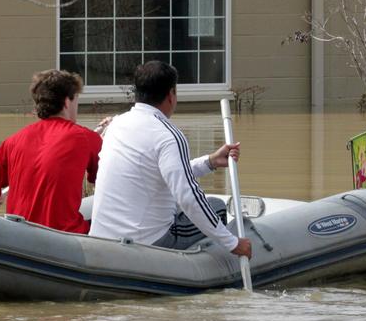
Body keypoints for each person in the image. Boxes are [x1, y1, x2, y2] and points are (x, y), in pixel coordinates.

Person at [89, 60, 252, 258]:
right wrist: (233, 243)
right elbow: (189, 198)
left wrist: (210, 162)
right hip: (148, 242)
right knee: (216, 207)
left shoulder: (116, 125)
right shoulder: (168, 135)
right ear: (171, 95)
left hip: (101, 237)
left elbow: (158, 172)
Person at [0, 70, 102, 233]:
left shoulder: (12, 142)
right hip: (65, 240)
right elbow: (107, 185)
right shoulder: (87, 138)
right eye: (76, 99)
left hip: (18, 238)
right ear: (67, 102)